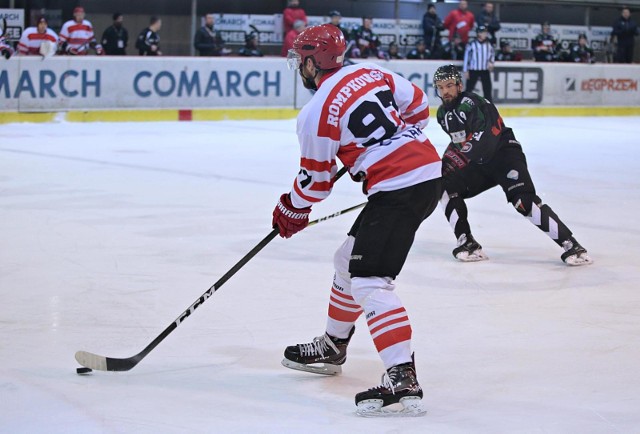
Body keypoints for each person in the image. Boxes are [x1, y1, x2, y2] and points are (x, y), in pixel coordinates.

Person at [276, 23, 442, 416]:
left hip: (399, 190)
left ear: (313, 62)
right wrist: (387, 145)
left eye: (301, 60)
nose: (299, 67)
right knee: (345, 261)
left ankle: (402, 378)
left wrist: (291, 207)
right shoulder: (371, 71)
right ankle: (334, 345)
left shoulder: (315, 113)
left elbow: (315, 184)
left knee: (371, 279)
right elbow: (418, 108)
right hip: (427, 173)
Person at [433, 64, 592, 266]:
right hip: (481, 163)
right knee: (445, 186)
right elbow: (459, 142)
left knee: (523, 201)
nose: (445, 91)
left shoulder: (473, 103)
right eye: (440, 87)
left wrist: (462, 155)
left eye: (449, 85)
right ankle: (467, 242)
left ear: (459, 85)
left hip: (504, 155)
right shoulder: (442, 115)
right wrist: (446, 161)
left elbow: (486, 135)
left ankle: (572, 246)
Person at [463, 25, 494, 102]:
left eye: (486, 33)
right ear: (478, 34)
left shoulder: (488, 44)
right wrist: (466, 70)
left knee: (487, 90)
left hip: (485, 70)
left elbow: (492, 54)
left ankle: (488, 107)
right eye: (483, 33)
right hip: (474, 70)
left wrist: (491, 62)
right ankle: (463, 105)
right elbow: (467, 57)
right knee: (469, 89)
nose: (485, 34)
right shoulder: (472, 44)